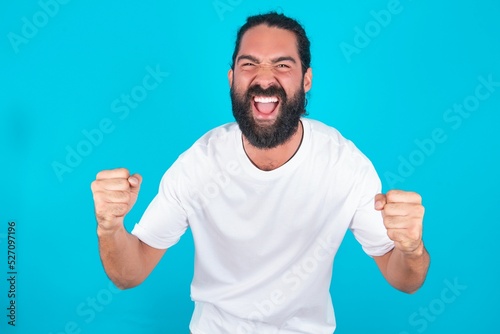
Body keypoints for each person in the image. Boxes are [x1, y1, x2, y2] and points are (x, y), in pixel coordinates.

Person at [91, 12, 430, 334]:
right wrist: (109, 228)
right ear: (232, 78)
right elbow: (129, 273)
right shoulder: (199, 164)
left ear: (306, 79)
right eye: (249, 64)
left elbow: (404, 279)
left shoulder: (345, 166)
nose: (264, 78)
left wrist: (411, 249)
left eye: (282, 65)